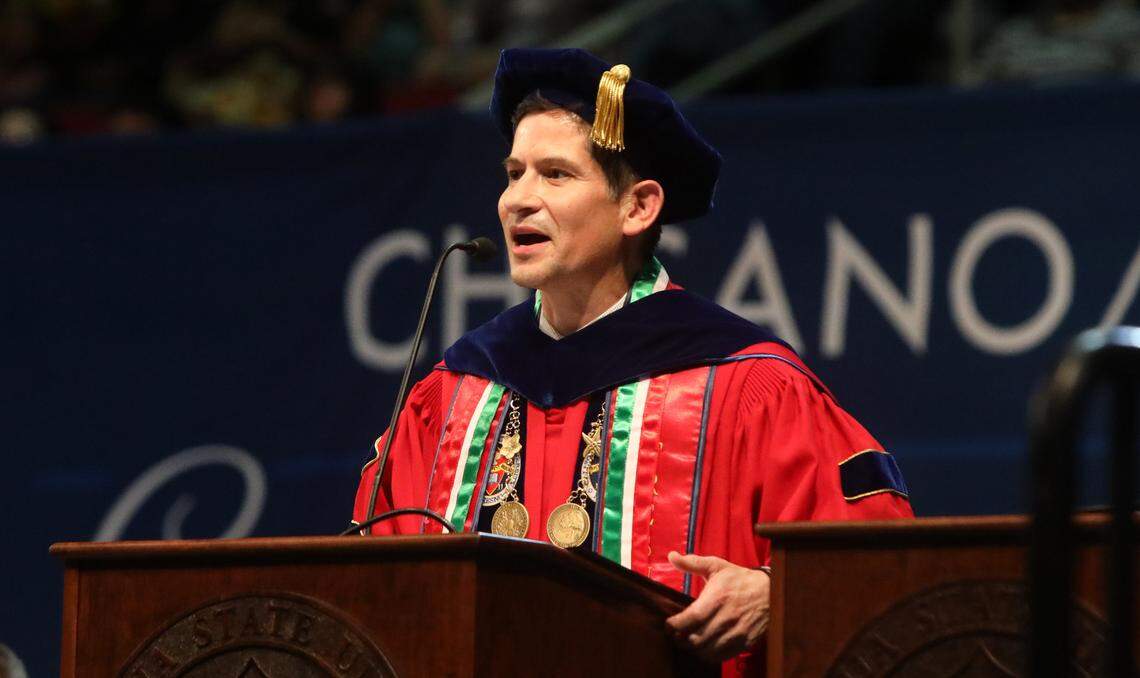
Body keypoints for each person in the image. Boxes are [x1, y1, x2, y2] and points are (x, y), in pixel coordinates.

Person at [352, 47, 913, 677]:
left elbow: (878, 568)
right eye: (514, 172)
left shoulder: (747, 384)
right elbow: (368, 592)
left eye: (556, 174)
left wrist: (775, 592)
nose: (517, 200)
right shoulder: (452, 396)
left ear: (638, 207)